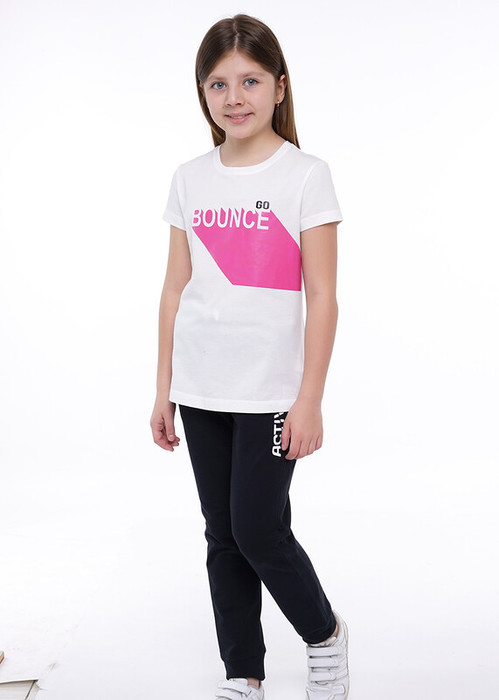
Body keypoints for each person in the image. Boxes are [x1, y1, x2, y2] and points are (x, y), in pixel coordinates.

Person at [150, 13, 349, 700]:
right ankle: (243, 673)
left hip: (270, 391)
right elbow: (174, 289)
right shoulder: (189, 178)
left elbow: (323, 296)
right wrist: (163, 389)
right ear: (202, 92)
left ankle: (324, 635)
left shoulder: (306, 176)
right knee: (222, 534)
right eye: (218, 84)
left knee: (258, 529)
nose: (234, 97)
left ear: (279, 87)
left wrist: (309, 398)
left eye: (250, 81)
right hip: (201, 386)